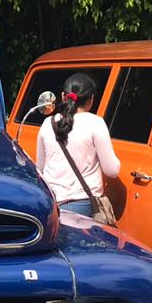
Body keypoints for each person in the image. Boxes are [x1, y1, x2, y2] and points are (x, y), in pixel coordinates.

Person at [34, 72, 119, 216]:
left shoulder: (48, 123)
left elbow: (40, 168)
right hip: (83, 205)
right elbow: (112, 170)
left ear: (62, 96)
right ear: (91, 99)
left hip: (51, 203)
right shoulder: (96, 123)